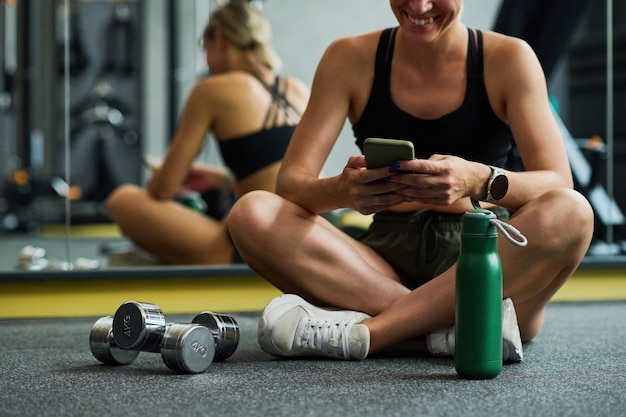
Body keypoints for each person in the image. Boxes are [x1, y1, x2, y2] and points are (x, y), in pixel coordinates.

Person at [226, 0, 594, 360]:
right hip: (382, 262)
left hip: (481, 255)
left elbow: (558, 183)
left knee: (573, 211)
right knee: (252, 213)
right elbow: (290, 184)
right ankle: (467, 328)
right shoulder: (347, 58)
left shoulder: (511, 58)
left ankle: (369, 333)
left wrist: (478, 180)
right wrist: (341, 191)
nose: (419, 7)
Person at [105, 1, 309, 265]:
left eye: (205, 49)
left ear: (218, 38)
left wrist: (162, 175)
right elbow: (282, 173)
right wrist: (223, 180)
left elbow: (163, 189)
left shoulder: (212, 89)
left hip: (258, 245)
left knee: (122, 200)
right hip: (312, 235)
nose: (207, 61)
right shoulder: (296, 89)